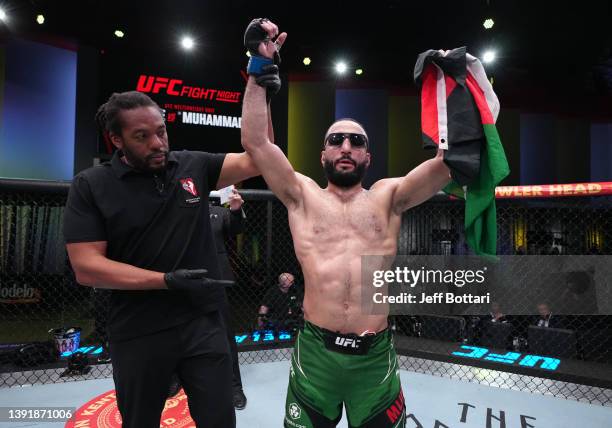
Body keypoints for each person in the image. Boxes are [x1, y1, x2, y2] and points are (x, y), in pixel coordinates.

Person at [241, 18, 451, 428]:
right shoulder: (301, 195)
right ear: (322, 155)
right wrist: (257, 68)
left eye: (357, 142)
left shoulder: (389, 197)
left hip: (374, 360)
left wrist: (452, 94)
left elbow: (447, 166)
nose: (346, 147)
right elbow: (256, 143)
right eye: (336, 140)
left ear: (368, 158)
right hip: (315, 355)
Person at [63, 90, 259, 428]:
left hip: (202, 322)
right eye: (141, 136)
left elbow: (257, 157)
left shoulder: (192, 165)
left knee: (220, 420)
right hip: (139, 328)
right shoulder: (92, 184)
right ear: (116, 140)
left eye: (161, 131)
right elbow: (86, 266)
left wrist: (259, 79)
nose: (157, 143)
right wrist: (164, 281)